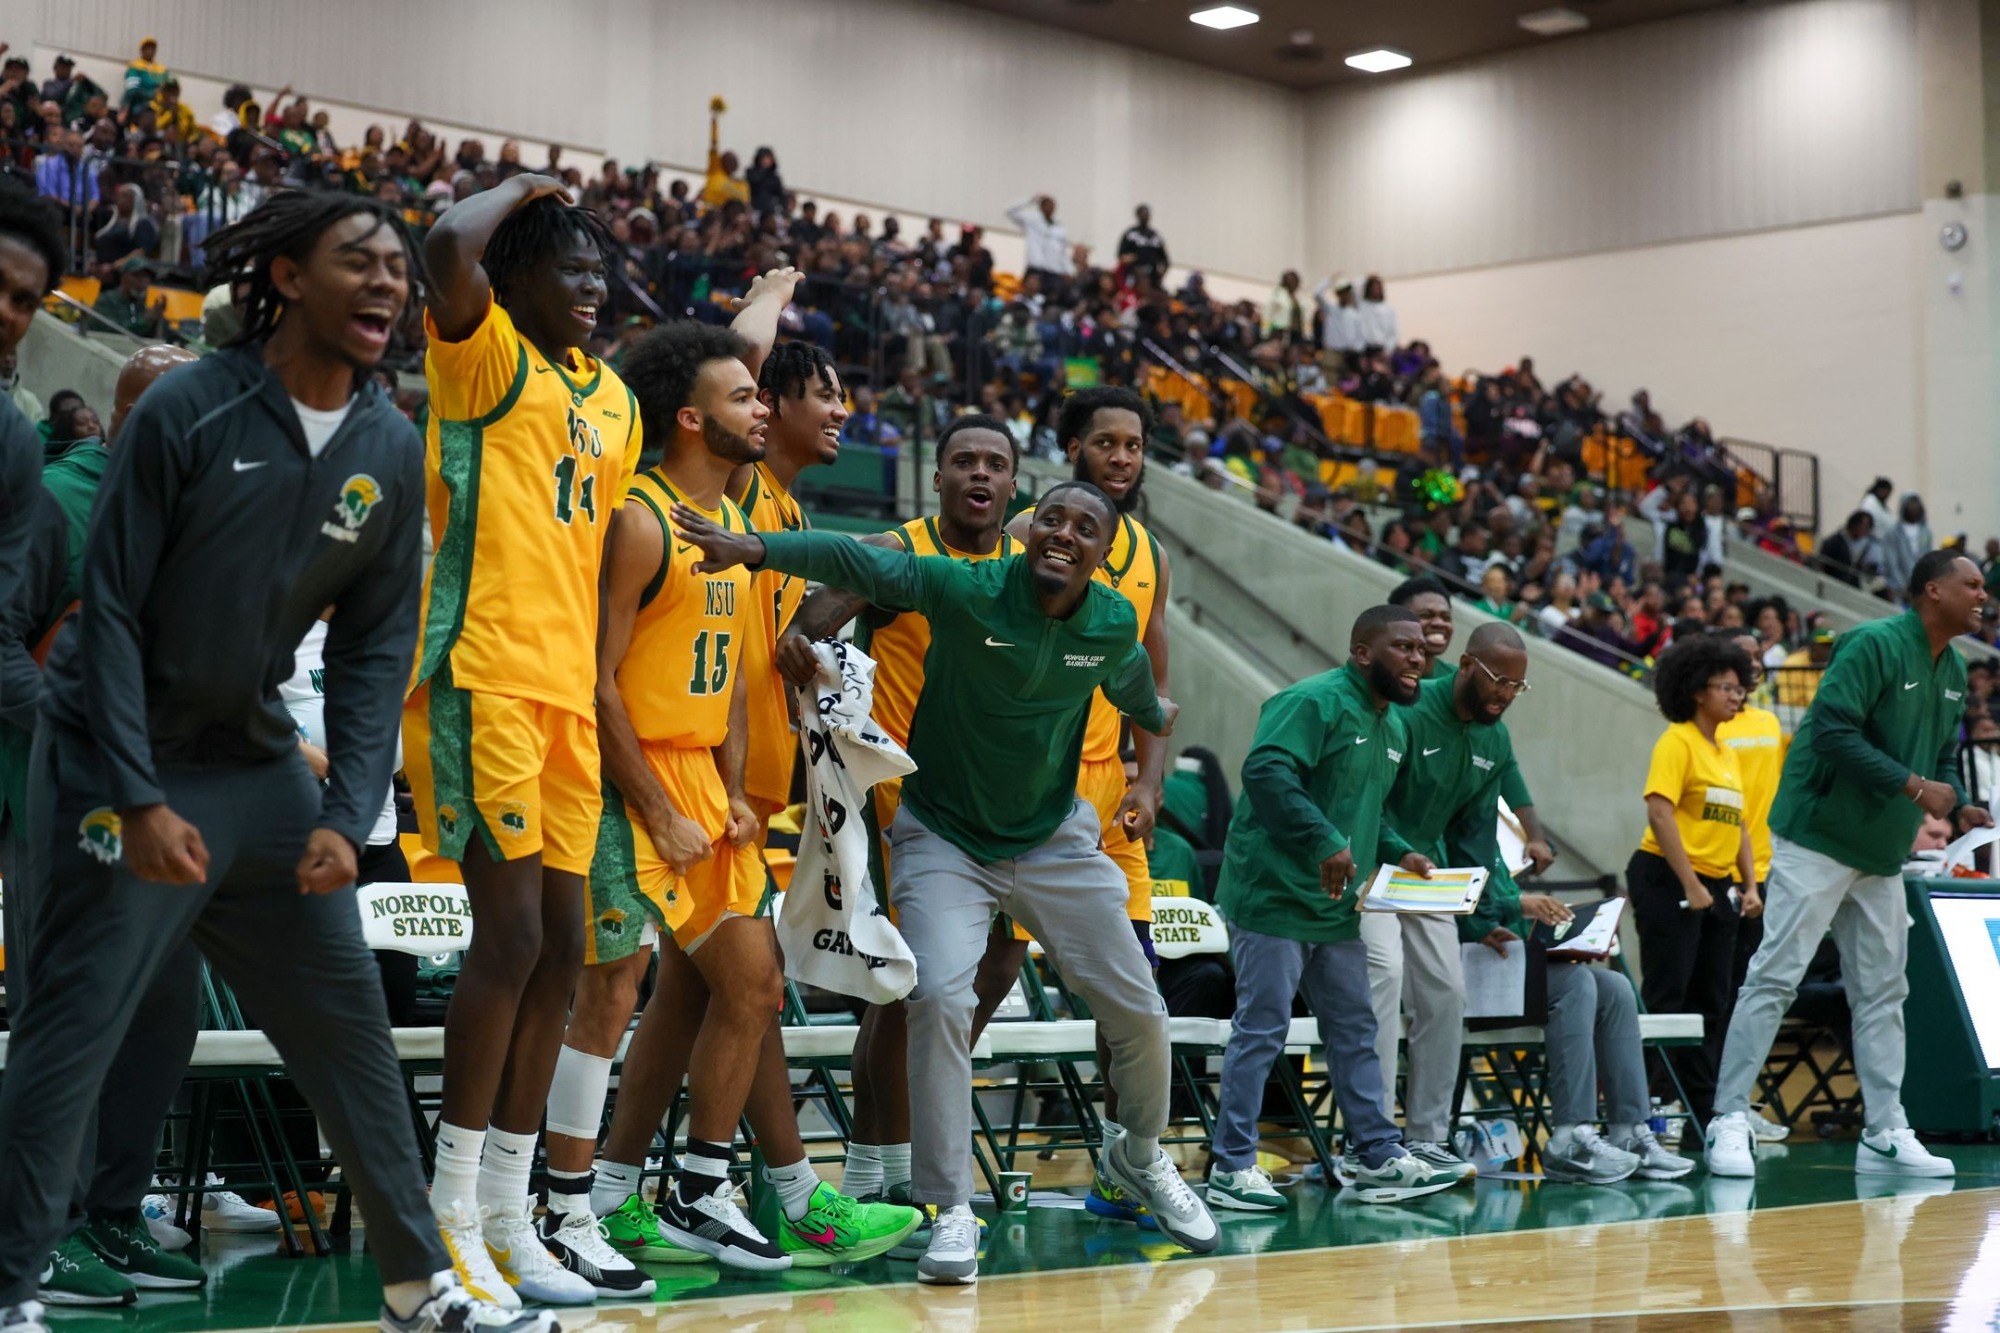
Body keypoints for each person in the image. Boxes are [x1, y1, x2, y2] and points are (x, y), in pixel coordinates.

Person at [0, 190, 551, 1333]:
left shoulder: (388, 446)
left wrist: (347, 814)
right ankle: (11, 1287)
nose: (390, 283)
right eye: (359, 261)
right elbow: (106, 610)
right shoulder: (189, 409)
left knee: (346, 1026)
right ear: (287, 278)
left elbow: (371, 653)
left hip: (257, 772)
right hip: (117, 764)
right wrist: (139, 798)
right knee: (74, 1028)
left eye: (401, 268)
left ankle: (418, 1284)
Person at [672, 481, 1219, 1285]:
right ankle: (951, 1209)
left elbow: (1140, 691)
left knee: (1140, 1006)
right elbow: (852, 557)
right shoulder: (966, 586)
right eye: (1054, 519)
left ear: (1104, 554)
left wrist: (1160, 721)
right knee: (936, 999)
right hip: (943, 837)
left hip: (1053, 840)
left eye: (1085, 527)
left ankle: (1138, 1154)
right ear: (1031, 533)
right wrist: (756, 549)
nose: (1065, 533)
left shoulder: (1109, 626)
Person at [536, 320, 917, 1278]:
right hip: (634, 780)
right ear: (691, 418)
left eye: (759, 395)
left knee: (754, 984)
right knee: (612, 991)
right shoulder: (640, 518)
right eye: (745, 397)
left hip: (711, 781)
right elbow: (597, 680)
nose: (762, 405)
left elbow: (734, 679)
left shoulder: (730, 527)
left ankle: (701, 1186)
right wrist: (660, 804)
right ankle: (565, 1207)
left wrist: (741, 781)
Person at [406, 172, 639, 1307]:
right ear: (518, 283)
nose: (592, 288)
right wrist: (518, 188)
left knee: (560, 948)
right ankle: (445, 1211)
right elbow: (445, 243)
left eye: (600, 272)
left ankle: (509, 1210)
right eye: (570, 269)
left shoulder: (617, 400)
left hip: (564, 701)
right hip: (481, 679)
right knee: (503, 944)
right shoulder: (484, 354)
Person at [775, 414, 1019, 1258]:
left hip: (1004, 806)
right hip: (911, 808)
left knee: (987, 975)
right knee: (910, 989)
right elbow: (807, 624)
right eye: (963, 461)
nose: (978, 474)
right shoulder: (900, 547)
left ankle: (884, 1170)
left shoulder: (1024, 572)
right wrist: (806, 649)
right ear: (938, 477)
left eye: (994, 463)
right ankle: (884, 1177)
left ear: (1013, 486)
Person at [1707, 551, 1993, 1179]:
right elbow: (1833, 732)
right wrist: (1917, 788)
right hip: (1817, 836)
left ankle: (1885, 1130)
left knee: (1885, 992)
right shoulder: (1871, 644)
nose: (1982, 596)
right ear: (1931, 590)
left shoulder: (1955, 669)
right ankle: (1727, 1117)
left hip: (1882, 852)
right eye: (1970, 585)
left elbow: (1944, 756)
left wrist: (1960, 802)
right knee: (1775, 975)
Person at [1204, 605, 1457, 1211]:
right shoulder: (1311, 701)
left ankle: (1373, 1152)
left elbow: (1365, 811)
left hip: (1334, 905)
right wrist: (1324, 841)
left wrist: (1403, 854)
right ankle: (1231, 1165)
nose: (1418, 659)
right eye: (1403, 647)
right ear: (1362, 652)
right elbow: (1266, 773)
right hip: (1271, 895)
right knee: (1262, 1028)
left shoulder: (1393, 725)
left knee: (1356, 1027)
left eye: (1422, 649)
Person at [1366, 625, 1569, 1184]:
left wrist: (1484, 918)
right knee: (1383, 980)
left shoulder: (1493, 739)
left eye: (1518, 687)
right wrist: (1397, 851)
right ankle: (1374, 1138)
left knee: (1446, 993)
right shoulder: (1407, 712)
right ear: (1465, 665)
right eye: (1499, 680)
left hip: (1427, 876)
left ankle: (1427, 1137)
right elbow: (1366, 799)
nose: (1506, 694)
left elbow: (1475, 840)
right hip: (1374, 869)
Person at [1627, 634, 1758, 1133]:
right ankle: (1647, 1113)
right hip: (1667, 877)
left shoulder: (1724, 751)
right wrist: (1691, 884)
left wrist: (1749, 885)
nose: (1736, 695)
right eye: (1725, 687)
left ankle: (1706, 1115)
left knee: (1712, 1000)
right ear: (1697, 690)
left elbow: (1738, 823)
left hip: (1718, 885)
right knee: (1668, 995)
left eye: (1738, 687)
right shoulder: (1677, 740)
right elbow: (1660, 812)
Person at [1388, 575, 1457, 681]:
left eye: (1446, 617)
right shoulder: (1381, 672)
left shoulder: (1456, 679)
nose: (1439, 623)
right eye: (1426, 615)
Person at [1007, 192, 1070, 295]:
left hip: (1052, 271)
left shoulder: (1060, 226)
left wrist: (1066, 269)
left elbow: (1062, 252)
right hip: (1035, 267)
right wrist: (1030, 200)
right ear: (1041, 206)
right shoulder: (1032, 219)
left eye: (1052, 205)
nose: (1050, 208)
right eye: (1047, 205)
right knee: (1028, 294)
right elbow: (1010, 211)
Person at [91, 257, 167, 339]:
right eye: (136, 275)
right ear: (123, 277)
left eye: (146, 276)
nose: (141, 281)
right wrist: (146, 320)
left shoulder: (142, 306)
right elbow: (115, 332)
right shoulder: (107, 300)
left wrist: (158, 320)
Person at [1117, 204, 1168, 284]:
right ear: (1137, 216)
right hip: (1134, 275)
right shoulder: (1131, 234)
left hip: (1152, 276)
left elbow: (1165, 259)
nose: (1145, 216)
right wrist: (1134, 258)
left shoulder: (1155, 236)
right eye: (1142, 214)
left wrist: (1162, 271)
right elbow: (1121, 256)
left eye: (1146, 214)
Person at [120, 38, 167, 113]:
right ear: (141, 50)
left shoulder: (162, 69)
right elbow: (132, 89)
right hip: (138, 106)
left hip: (158, 107)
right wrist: (151, 94)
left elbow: (168, 87)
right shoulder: (134, 66)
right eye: (147, 48)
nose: (150, 50)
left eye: (152, 48)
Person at [1356, 275, 1397, 352]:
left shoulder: (1388, 309)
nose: (1376, 290)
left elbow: (1393, 333)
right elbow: (1355, 286)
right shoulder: (1363, 305)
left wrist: (1388, 351)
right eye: (1373, 288)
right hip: (1364, 348)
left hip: (1381, 348)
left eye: (1378, 288)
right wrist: (1369, 278)